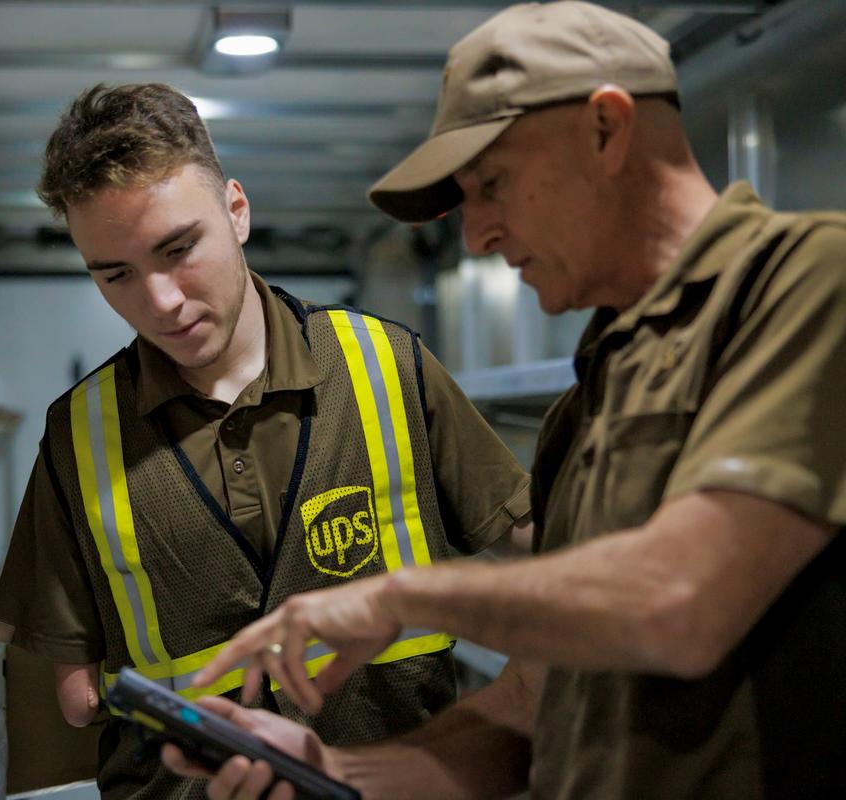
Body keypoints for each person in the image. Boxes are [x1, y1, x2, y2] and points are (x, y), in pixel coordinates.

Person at [165, 2, 846, 798]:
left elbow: (681, 600)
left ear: (606, 128)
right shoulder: (594, 395)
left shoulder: (808, 281)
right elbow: (536, 695)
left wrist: (399, 594)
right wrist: (336, 772)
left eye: (492, 184)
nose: (477, 235)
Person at [0, 82, 533, 798]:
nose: (161, 302)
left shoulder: (386, 367)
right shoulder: (77, 435)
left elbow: (541, 551)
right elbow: (74, 699)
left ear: (236, 211)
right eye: (115, 275)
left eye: (179, 249)